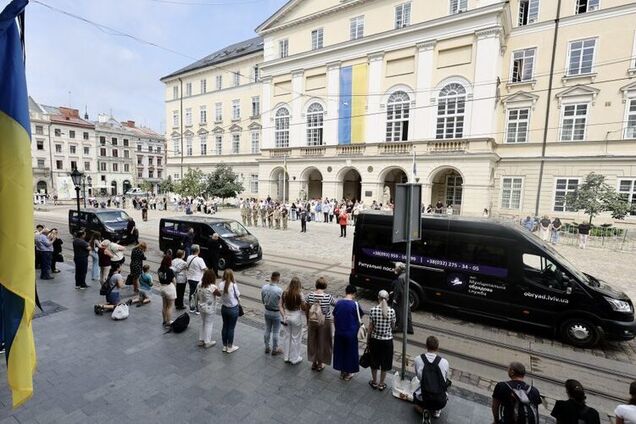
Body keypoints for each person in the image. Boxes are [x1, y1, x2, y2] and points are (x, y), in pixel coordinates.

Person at [413, 336, 450, 421]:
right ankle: (436, 411)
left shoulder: (417, 359)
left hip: (424, 398)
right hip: (440, 401)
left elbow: (418, 377)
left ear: (426, 346)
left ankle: (424, 411)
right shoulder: (444, 362)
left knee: (415, 404)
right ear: (437, 347)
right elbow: (444, 379)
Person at [332, 285, 362, 381]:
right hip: (351, 333)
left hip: (339, 331)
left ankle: (342, 372)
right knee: (350, 352)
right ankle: (348, 373)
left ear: (345, 292)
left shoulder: (339, 303)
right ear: (354, 293)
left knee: (340, 351)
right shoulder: (355, 304)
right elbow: (359, 317)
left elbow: (335, 316)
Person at [368, 290, 396, 391]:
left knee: (374, 362)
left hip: (375, 340)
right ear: (388, 299)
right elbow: (393, 326)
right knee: (385, 363)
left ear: (378, 298)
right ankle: (381, 384)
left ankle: (374, 382)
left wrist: (368, 340)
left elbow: (370, 328)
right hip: (387, 341)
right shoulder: (392, 311)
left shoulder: (373, 310)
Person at [306, 277, 336, 371]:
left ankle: (313, 362)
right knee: (323, 342)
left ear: (316, 285)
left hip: (312, 320)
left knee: (313, 341)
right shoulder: (328, 297)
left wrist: (307, 319)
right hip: (325, 321)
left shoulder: (310, 295)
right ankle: (320, 364)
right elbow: (336, 304)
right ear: (325, 286)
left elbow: (305, 305)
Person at [281, 276, 305, 365]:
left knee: (287, 336)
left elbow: (281, 305)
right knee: (296, 338)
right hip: (296, 316)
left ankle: (286, 357)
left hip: (286, 316)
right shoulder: (300, 294)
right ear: (299, 285)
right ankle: (294, 358)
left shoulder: (285, 293)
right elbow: (303, 307)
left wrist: (284, 315)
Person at [218, 269, 240, 353]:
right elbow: (238, 294)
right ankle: (230, 347)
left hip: (224, 308)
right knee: (231, 328)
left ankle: (224, 346)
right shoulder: (233, 285)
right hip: (233, 308)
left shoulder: (220, 284)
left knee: (225, 326)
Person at [261, 271, 283, 355]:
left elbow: (263, 300)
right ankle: (275, 349)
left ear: (271, 277)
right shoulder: (279, 290)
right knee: (276, 331)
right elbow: (282, 304)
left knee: (267, 329)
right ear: (278, 278)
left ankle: (267, 347)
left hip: (267, 311)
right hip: (276, 313)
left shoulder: (264, 287)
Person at [197, 269, 220, 348]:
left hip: (201, 306)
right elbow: (219, 294)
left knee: (203, 322)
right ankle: (207, 341)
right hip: (210, 308)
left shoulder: (200, 284)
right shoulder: (212, 287)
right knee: (209, 324)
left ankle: (201, 339)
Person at [391, 262, 414, 334]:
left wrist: (395, 299)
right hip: (405, 296)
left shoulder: (400, 278)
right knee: (407, 312)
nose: (395, 269)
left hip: (400, 298)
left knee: (398, 313)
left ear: (399, 269)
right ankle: (409, 329)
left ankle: (398, 328)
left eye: (396, 267)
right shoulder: (406, 275)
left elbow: (399, 290)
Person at [185, 244, 207, 314]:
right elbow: (205, 269)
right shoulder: (200, 259)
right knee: (198, 295)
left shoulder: (189, 257)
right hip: (197, 279)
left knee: (191, 293)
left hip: (190, 278)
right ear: (198, 251)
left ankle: (191, 308)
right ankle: (197, 310)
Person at [158, 254, 177, 327]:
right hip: (169, 288)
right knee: (170, 306)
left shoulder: (159, 269)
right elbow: (174, 281)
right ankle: (169, 321)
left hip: (162, 288)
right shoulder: (170, 270)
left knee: (164, 306)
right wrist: (174, 287)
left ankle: (164, 320)